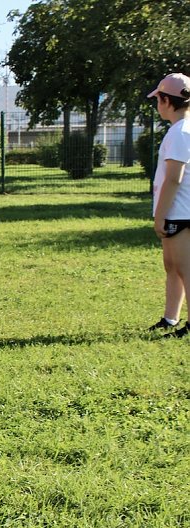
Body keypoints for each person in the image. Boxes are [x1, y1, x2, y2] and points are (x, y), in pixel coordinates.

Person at [147, 73, 190, 338]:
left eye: (158, 99)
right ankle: (170, 318)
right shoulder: (181, 130)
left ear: (165, 100)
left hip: (180, 211)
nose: (157, 105)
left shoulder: (181, 132)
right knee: (173, 266)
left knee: (185, 269)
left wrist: (160, 215)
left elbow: (174, 178)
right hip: (180, 210)